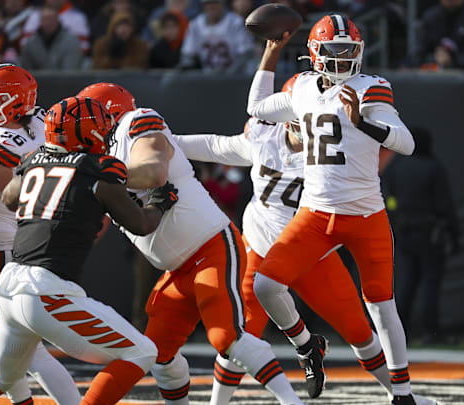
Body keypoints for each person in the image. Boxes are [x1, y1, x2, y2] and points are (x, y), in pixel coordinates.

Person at [174, 75, 436, 405]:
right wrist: (169, 140)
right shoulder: (261, 136)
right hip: (261, 249)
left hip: (313, 253)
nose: (301, 123)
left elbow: (354, 197)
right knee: (238, 338)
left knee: (359, 332)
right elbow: (216, 146)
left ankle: (399, 394)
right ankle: (299, 349)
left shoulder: (334, 149)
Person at [77, 82, 305, 405]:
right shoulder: (97, 161)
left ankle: (293, 402)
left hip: (210, 246)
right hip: (177, 267)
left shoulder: (136, 123)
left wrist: (94, 176)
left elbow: (154, 170)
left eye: (83, 116)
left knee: (226, 337)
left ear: (106, 114)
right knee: (155, 353)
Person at [0, 96, 177, 404]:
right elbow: (141, 224)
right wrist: (160, 203)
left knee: (1, 377)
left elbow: (9, 198)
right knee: (143, 351)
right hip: (47, 291)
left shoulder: (32, 161)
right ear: (94, 133)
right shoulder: (102, 169)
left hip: (8, 288)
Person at [246, 14, 420, 405]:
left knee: (381, 304)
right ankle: (307, 345)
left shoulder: (371, 87)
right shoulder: (303, 87)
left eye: (348, 50)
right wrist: (270, 54)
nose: (342, 59)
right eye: (334, 50)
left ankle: (403, 395)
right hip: (316, 213)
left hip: (365, 216)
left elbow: (406, 143)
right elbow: (256, 107)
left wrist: (363, 122)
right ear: (314, 54)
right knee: (265, 285)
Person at [0, 64, 80, 405]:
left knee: (24, 351)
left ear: (12, 106)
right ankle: (21, 402)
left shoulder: (4, 143)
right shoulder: (32, 121)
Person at [380, 127, 459, 345]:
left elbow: (388, 198)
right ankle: (430, 332)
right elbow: (445, 204)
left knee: (406, 282)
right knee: (430, 283)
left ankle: (401, 331)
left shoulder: (396, 167)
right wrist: (454, 233)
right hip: (430, 233)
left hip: (404, 233)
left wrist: (396, 219)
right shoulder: (433, 167)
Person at [412, 0, 464, 69]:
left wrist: (453, 60)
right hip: (435, 72)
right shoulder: (430, 17)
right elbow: (419, 51)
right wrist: (433, 58)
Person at [179, 0, 254, 73]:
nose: (211, 7)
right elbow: (188, 55)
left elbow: (245, 53)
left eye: (215, 2)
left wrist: (230, 73)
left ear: (222, 4)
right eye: (208, 3)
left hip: (235, 76)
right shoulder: (195, 25)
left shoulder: (236, 22)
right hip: (207, 77)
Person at [19, 5, 83, 70]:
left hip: (64, 79)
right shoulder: (31, 43)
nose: (48, 22)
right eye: (45, 19)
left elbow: (71, 70)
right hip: (36, 80)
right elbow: (26, 69)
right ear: (40, 21)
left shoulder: (71, 41)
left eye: (51, 18)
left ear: (57, 20)